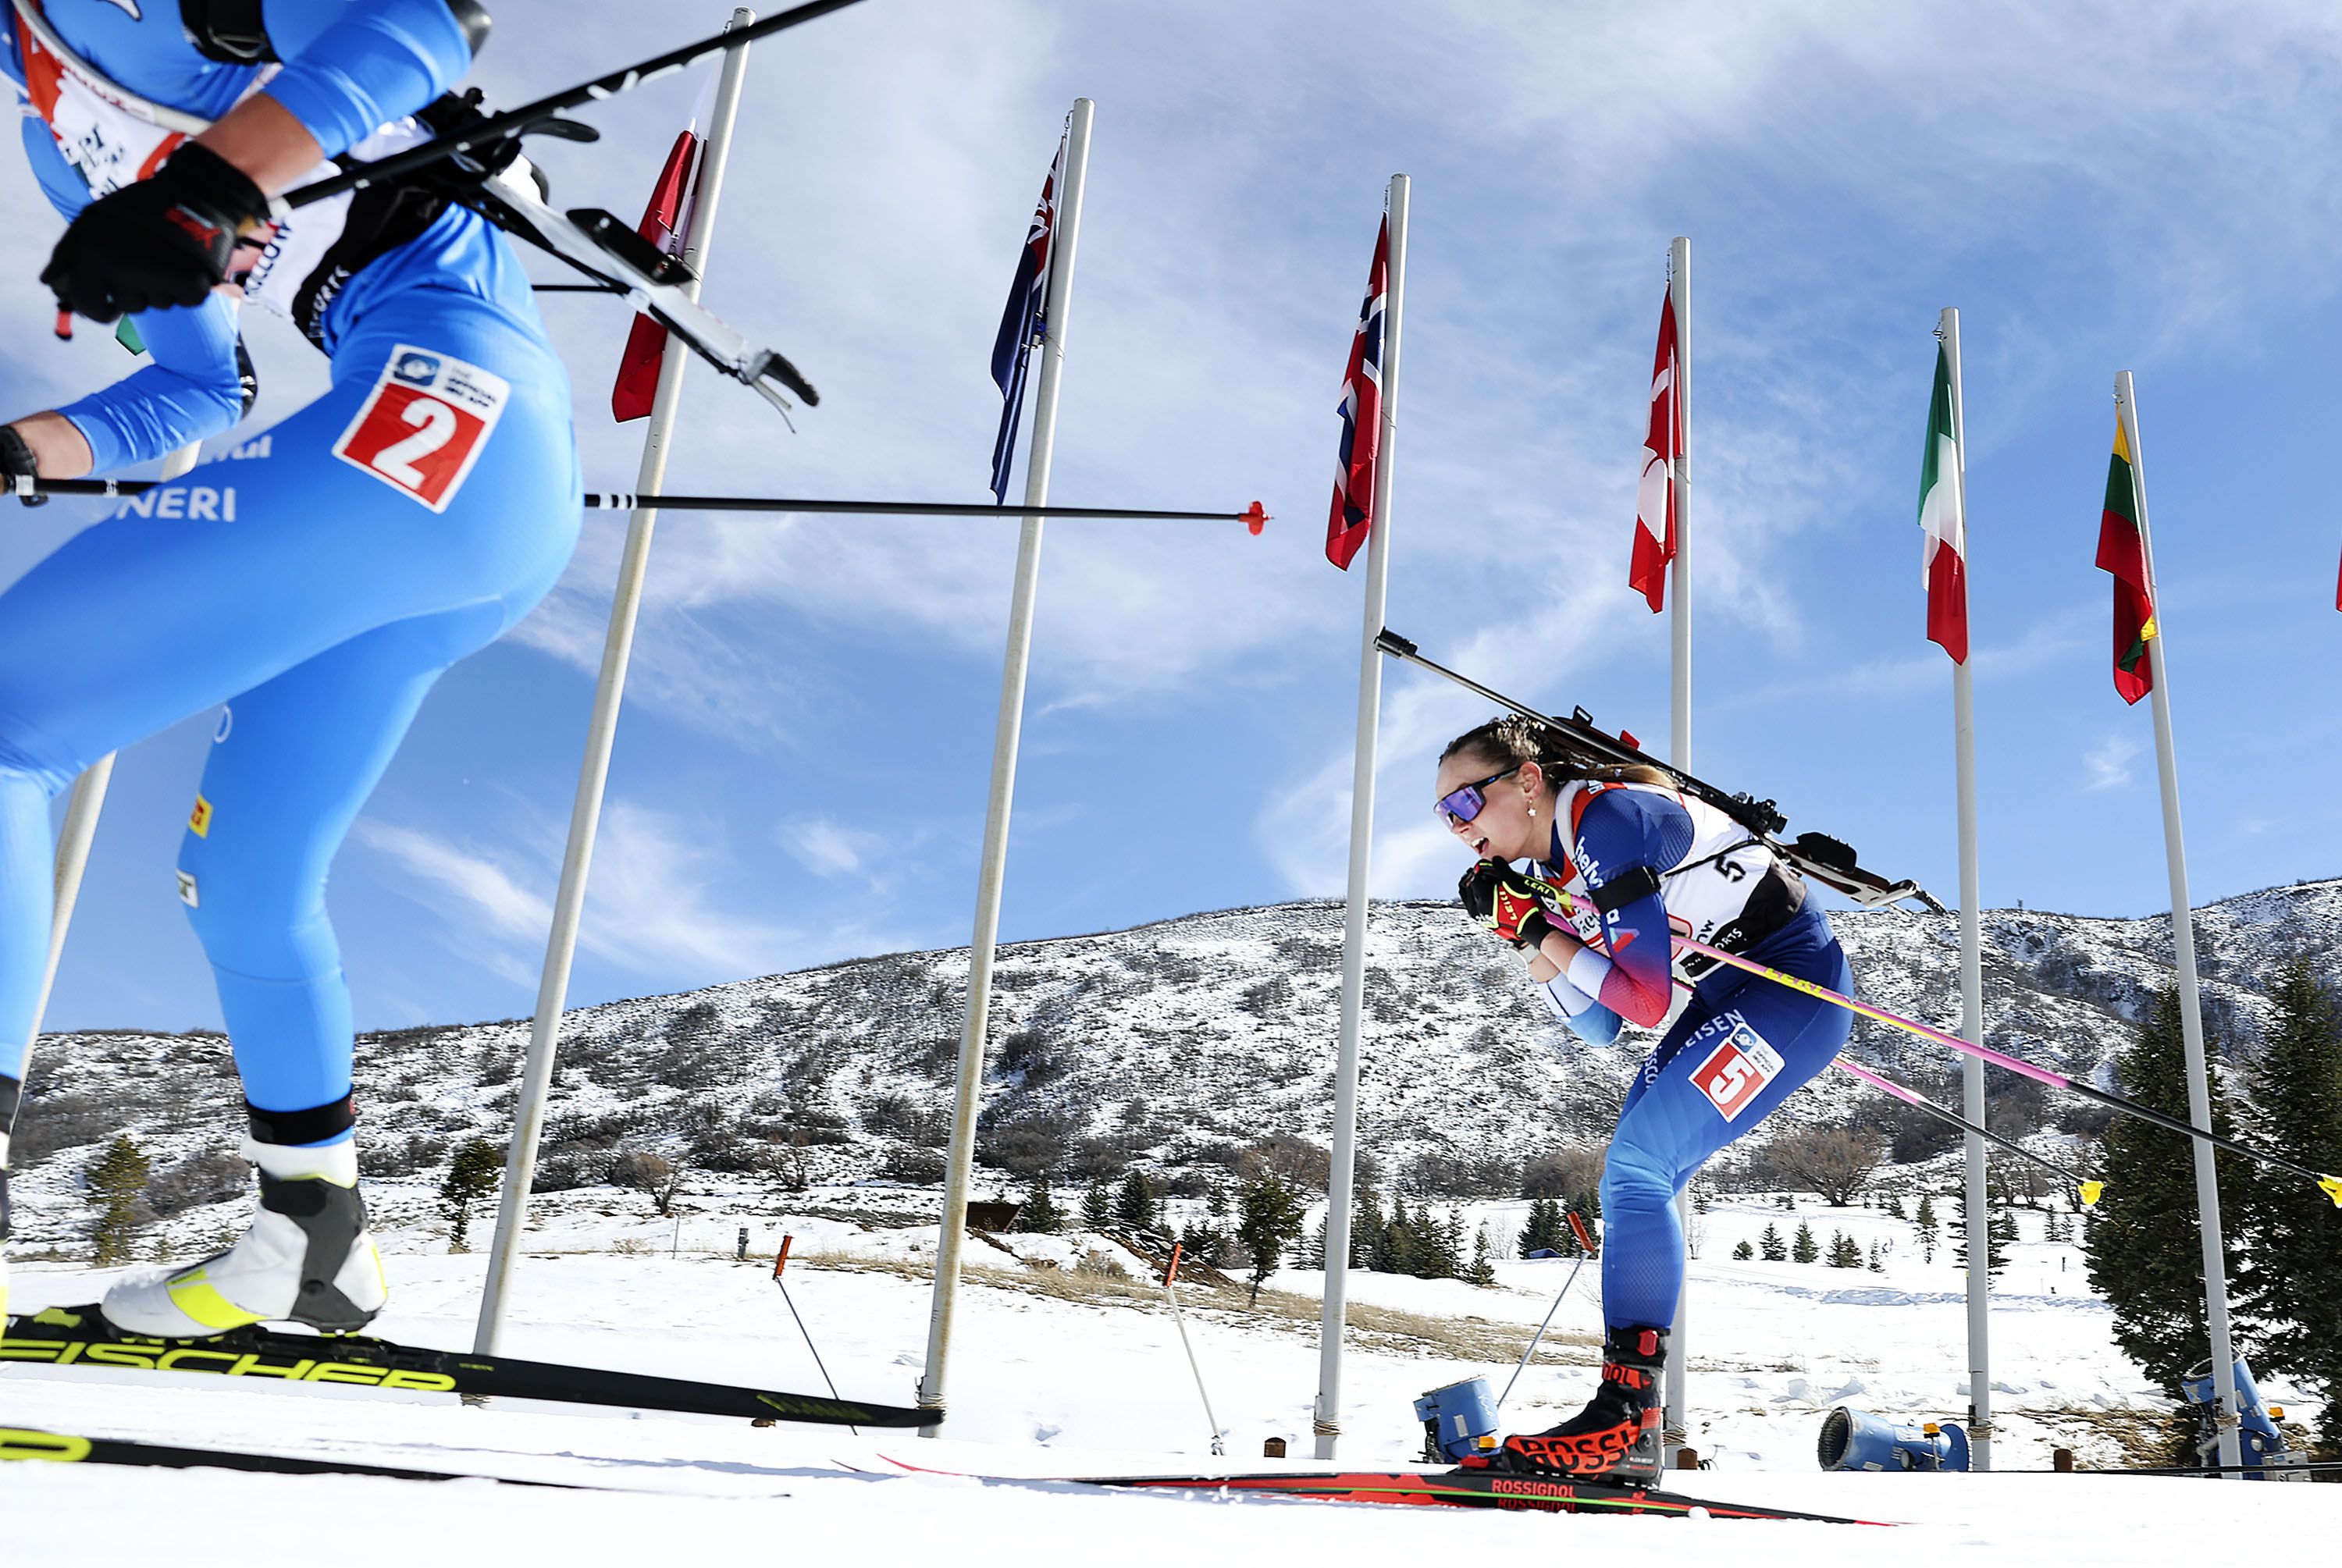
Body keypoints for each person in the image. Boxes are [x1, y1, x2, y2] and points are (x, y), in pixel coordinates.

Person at [0, 0, 579, 1337]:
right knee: (245, 883)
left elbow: (429, 21)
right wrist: (18, 446)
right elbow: (193, 397)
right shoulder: (55, 134)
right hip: (447, 485)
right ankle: (311, 1237)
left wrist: (210, 182)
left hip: (438, 416)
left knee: (10, 722)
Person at [1432, 713, 1854, 1483]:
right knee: (1626, 1176)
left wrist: (1539, 928)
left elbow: (1645, 999)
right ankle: (1627, 1421)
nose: (1458, 828)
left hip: (1794, 988)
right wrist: (1528, 937)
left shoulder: (1605, 819)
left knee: (1637, 1165)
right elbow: (1597, 1023)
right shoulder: (1560, 866)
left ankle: (1626, 1420)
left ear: (1527, 782)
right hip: (1731, 991)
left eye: (1464, 804)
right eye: (1445, 816)